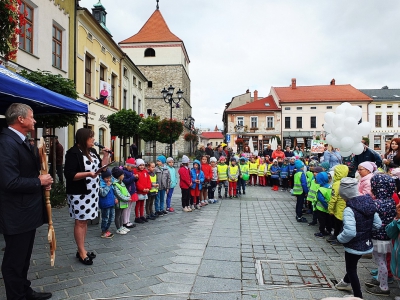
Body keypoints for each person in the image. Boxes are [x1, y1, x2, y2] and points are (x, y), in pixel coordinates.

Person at [0, 103, 53, 300]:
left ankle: (24, 291)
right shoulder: (6, 142)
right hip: (16, 213)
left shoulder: (19, 140)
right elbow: (9, 181)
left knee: (23, 257)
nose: (35, 120)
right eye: (32, 117)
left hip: (25, 211)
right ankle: (16, 296)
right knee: (14, 260)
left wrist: (41, 182)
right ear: (20, 119)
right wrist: (38, 181)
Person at [64, 127, 110, 266]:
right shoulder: (72, 153)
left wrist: (106, 156)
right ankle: (81, 251)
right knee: (80, 221)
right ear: (84, 139)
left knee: (85, 221)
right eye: (91, 137)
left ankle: (82, 248)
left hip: (92, 192)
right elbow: (70, 175)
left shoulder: (92, 151)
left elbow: (102, 169)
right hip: (79, 193)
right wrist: (88, 174)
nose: (94, 140)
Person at [335, 178, 381, 299]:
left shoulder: (349, 209)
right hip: (366, 243)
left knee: (351, 269)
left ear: (344, 194)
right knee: (352, 265)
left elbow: (349, 232)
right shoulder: (369, 203)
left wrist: (339, 238)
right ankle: (344, 282)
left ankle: (358, 296)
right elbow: (377, 224)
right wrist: (366, 231)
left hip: (353, 246)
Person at [364, 173, 396, 297]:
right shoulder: (391, 201)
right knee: (382, 261)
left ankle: (384, 287)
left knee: (380, 262)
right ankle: (380, 280)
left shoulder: (376, 203)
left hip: (378, 238)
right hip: (388, 237)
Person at [327, 165, 349, 245]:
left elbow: (333, 198)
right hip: (346, 205)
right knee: (342, 223)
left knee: (339, 223)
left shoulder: (336, 184)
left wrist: (330, 209)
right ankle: (336, 236)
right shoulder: (347, 181)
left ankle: (339, 239)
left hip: (339, 206)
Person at [111, 167, 131, 233]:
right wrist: (127, 199)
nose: (123, 176)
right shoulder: (115, 184)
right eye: (122, 175)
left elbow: (126, 190)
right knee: (118, 215)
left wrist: (128, 196)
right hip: (119, 203)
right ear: (119, 176)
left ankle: (122, 226)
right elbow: (118, 194)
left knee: (121, 215)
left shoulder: (121, 182)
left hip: (124, 202)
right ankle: (118, 228)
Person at [313, 172, 332, 238]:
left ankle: (322, 232)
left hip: (321, 208)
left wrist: (326, 206)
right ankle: (329, 230)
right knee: (328, 220)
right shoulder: (330, 187)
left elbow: (320, 199)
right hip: (329, 208)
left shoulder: (320, 189)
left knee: (322, 221)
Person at [99, 169, 115, 239]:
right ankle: (103, 231)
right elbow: (103, 194)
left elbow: (112, 192)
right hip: (105, 204)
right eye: (106, 178)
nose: (108, 179)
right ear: (103, 178)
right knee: (105, 218)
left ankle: (107, 229)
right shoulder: (100, 185)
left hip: (111, 203)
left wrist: (115, 198)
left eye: (110, 177)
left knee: (111, 218)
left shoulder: (111, 183)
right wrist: (107, 186)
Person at [122, 158, 138, 227]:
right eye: (132, 167)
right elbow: (125, 181)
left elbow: (133, 181)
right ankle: (125, 222)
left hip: (132, 191)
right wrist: (133, 178)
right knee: (126, 207)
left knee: (129, 207)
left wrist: (136, 178)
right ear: (127, 166)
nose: (132, 169)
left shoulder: (131, 172)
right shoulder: (124, 172)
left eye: (133, 167)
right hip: (127, 191)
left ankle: (128, 220)